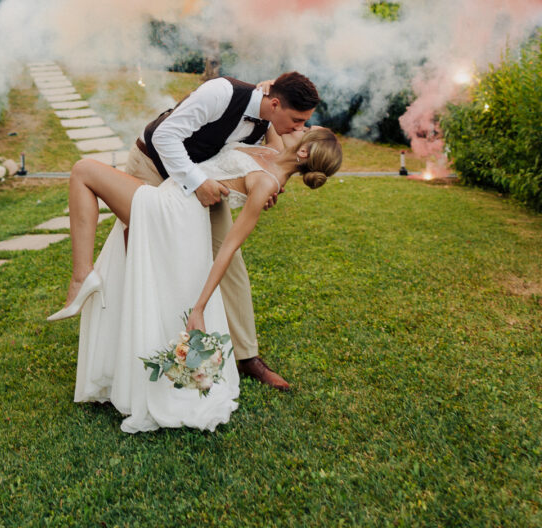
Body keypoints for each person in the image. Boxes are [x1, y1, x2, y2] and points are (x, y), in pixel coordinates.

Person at [50, 123, 342, 433]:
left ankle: (82, 277)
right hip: (174, 197)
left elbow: (228, 249)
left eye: (304, 129)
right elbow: (273, 118)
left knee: (83, 171)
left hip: (174, 212)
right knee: (137, 273)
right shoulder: (272, 150)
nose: (299, 127)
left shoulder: (268, 184)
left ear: (303, 151)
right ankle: (122, 362)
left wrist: (200, 306)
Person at [66, 71, 320, 391]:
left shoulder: (270, 121)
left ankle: (247, 356)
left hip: (206, 184)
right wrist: (199, 183)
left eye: (303, 123)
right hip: (155, 168)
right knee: (141, 260)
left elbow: (267, 163)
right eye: (297, 120)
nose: (298, 128)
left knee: (231, 264)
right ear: (274, 104)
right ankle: (129, 352)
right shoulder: (220, 93)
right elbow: (165, 137)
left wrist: (264, 186)